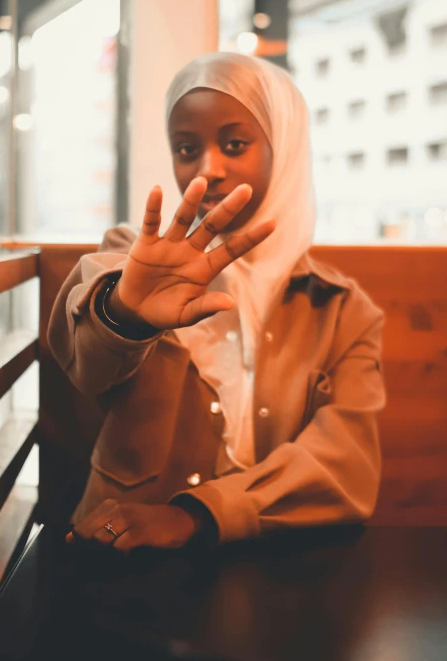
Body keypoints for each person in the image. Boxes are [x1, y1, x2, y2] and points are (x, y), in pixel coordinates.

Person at [47, 51, 386, 552]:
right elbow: (85, 367)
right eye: (186, 149)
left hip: (275, 561)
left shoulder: (340, 308)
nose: (208, 169)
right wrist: (124, 315)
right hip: (118, 552)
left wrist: (196, 516)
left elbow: (346, 465)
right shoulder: (131, 259)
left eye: (235, 144)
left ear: (284, 148)